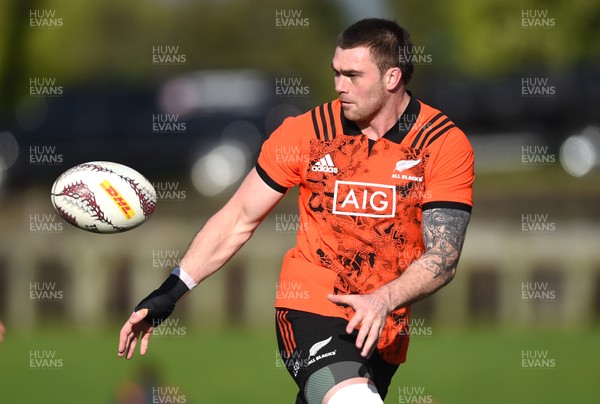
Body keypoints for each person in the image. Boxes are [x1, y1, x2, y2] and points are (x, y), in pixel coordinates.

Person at [118, 18, 474, 404]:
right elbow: (239, 217)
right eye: (336, 73)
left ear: (392, 77)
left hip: (382, 327)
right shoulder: (306, 132)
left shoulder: (442, 144)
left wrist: (383, 300)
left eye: (353, 75)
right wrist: (169, 293)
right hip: (309, 306)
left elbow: (444, 256)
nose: (339, 85)